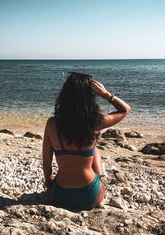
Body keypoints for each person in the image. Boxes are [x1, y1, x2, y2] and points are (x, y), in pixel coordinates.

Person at [42, 72, 131, 210]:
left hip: (61, 194)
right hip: (90, 195)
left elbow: (46, 162)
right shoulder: (95, 123)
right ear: (89, 97)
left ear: (65, 95)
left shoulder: (52, 124)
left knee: (91, 149)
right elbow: (125, 110)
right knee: (94, 149)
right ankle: (102, 179)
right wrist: (105, 94)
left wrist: (49, 187)